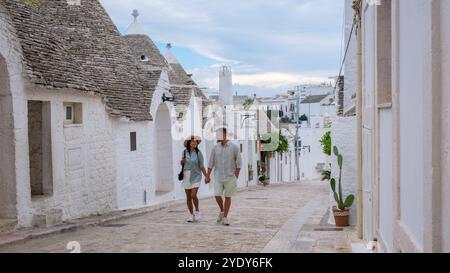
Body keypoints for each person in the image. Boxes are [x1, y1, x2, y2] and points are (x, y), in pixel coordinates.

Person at [205, 128, 242, 226]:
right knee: (217, 195)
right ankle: (222, 210)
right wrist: (207, 175)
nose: (217, 136)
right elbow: (210, 163)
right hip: (218, 176)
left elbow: (239, 163)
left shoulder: (234, 148)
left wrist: (236, 176)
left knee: (228, 197)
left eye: (218, 134)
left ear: (225, 135)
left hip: (230, 177)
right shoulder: (215, 148)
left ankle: (225, 217)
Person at [181, 136, 208, 223]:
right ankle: (191, 214)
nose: (194, 143)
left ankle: (197, 210)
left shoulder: (198, 153)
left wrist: (206, 176)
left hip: (196, 175)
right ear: (189, 143)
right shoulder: (184, 152)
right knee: (188, 197)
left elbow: (201, 166)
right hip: (186, 175)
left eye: (196, 142)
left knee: (193, 195)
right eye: (193, 142)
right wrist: (182, 162)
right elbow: (182, 163)